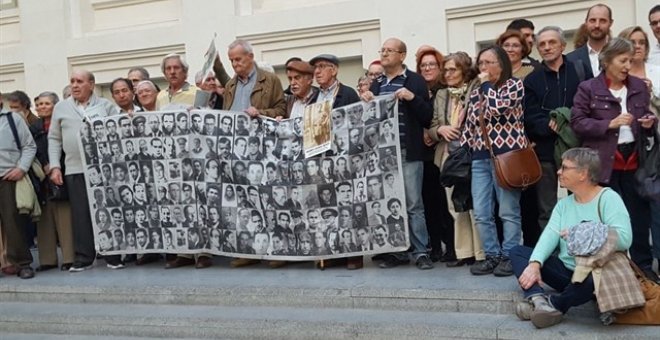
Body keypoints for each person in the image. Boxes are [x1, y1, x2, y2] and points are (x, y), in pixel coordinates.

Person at [510, 148, 632, 329]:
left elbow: (624, 238)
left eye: (565, 167)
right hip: (567, 271)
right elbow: (550, 234)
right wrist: (535, 263)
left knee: (591, 280)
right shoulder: (564, 204)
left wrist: (582, 232)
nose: (559, 171)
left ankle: (556, 304)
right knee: (517, 252)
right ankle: (538, 299)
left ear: (583, 174)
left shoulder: (609, 198)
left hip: (595, 274)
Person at [571, 38, 658, 282]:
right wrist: (608, 123)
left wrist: (649, 124)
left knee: (639, 217)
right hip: (603, 164)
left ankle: (643, 268)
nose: (628, 65)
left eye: (630, 60)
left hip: (635, 161)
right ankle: (607, 270)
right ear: (607, 61)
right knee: (606, 219)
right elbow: (577, 123)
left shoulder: (640, 86)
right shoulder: (588, 88)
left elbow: (647, 117)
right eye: (623, 60)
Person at [362, 37, 434, 270]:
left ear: (402, 55)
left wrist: (411, 98)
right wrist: (366, 101)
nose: (383, 54)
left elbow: (427, 116)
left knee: (413, 203)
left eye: (389, 51)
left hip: (407, 150)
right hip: (383, 156)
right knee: (390, 202)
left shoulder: (415, 81)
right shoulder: (377, 84)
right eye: (382, 50)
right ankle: (398, 251)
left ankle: (422, 251)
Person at [460, 45, 526, 277]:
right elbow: (470, 123)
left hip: (506, 156)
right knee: (481, 211)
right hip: (480, 158)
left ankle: (510, 255)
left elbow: (498, 107)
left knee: (508, 211)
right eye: (481, 64)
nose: (484, 68)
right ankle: (492, 255)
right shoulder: (477, 92)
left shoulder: (514, 85)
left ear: (502, 64)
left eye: (489, 63)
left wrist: (486, 84)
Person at [49, 70, 124, 271]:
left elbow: (121, 130)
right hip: (74, 168)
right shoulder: (61, 107)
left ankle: (113, 255)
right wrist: (55, 166)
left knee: (107, 211)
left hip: (102, 169)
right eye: (72, 81)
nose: (74, 85)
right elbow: (54, 139)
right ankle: (84, 257)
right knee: (80, 213)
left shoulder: (106, 106)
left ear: (91, 84)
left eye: (79, 81)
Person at [523, 26, 582, 241]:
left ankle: (579, 250)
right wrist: (547, 125)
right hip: (545, 152)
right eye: (542, 44)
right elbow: (529, 115)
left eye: (552, 43)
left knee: (580, 204)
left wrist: (569, 121)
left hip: (576, 150)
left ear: (562, 45)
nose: (547, 48)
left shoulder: (580, 70)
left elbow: (587, 105)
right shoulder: (531, 80)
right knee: (546, 209)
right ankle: (549, 254)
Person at [32, 91, 75, 272]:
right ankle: (47, 259)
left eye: (46, 103)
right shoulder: (33, 128)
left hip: (61, 176)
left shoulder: (62, 123)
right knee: (44, 220)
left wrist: (56, 165)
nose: (42, 107)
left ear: (55, 106)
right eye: (40, 104)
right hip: (41, 180)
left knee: (65, 219)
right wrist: (42, 165)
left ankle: (69, 258)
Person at [0, 107, 37, 279]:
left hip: (8, 178)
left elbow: (29, 145)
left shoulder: (12, 119)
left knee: (13, 221)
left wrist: (21, 168)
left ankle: (23, 263)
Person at [223, 39, 286, 119]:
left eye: (238, 59)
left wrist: (259, 113)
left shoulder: (270, 80)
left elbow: (281, 110)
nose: (234, 64)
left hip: (258, 130)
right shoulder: (229, 85)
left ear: (250, 56)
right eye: (231, 60)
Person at [567, 4, 614, 80]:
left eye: (602, 21)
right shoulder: (570, 60)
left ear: (610, 23)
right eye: (592, 20)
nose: (597, 25)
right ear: (586, 22)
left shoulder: (619, 56)